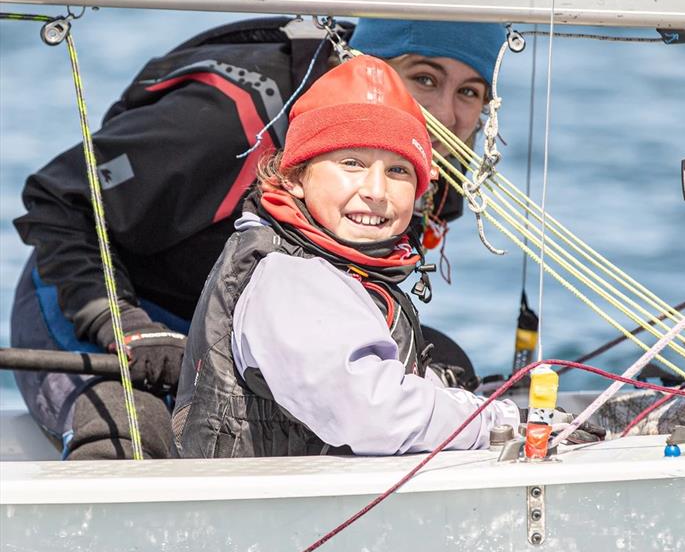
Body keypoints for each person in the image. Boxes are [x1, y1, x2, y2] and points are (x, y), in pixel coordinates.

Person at [10, 16, 507, 459]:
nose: (446, 115)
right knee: (130, 429)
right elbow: (60, 199)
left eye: (470, 92)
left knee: (451, 368)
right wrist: (125, 323)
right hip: (97, 300)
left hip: (254, 330)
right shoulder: (226, 121)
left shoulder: (423, 165)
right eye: (424, 79)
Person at [173, 55, 519, 457]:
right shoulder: (289, 279)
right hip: (269, 514)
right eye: (351, 164)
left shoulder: (337, 270)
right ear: (294, 177)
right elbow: (376, 415)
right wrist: (498, 420)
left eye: (398, 171)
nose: (376, 190)